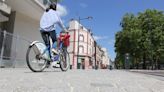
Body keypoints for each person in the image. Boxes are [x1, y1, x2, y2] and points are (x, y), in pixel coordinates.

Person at [40, 2, 67, 67]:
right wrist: (65, 30)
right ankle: (54, 49)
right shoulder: (55, 13)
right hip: (50, 29)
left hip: (42, 29)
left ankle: (48, 61)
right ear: (55, 8)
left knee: (47, 45)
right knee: (56, 41)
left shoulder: (45, 12)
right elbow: (60, 22)